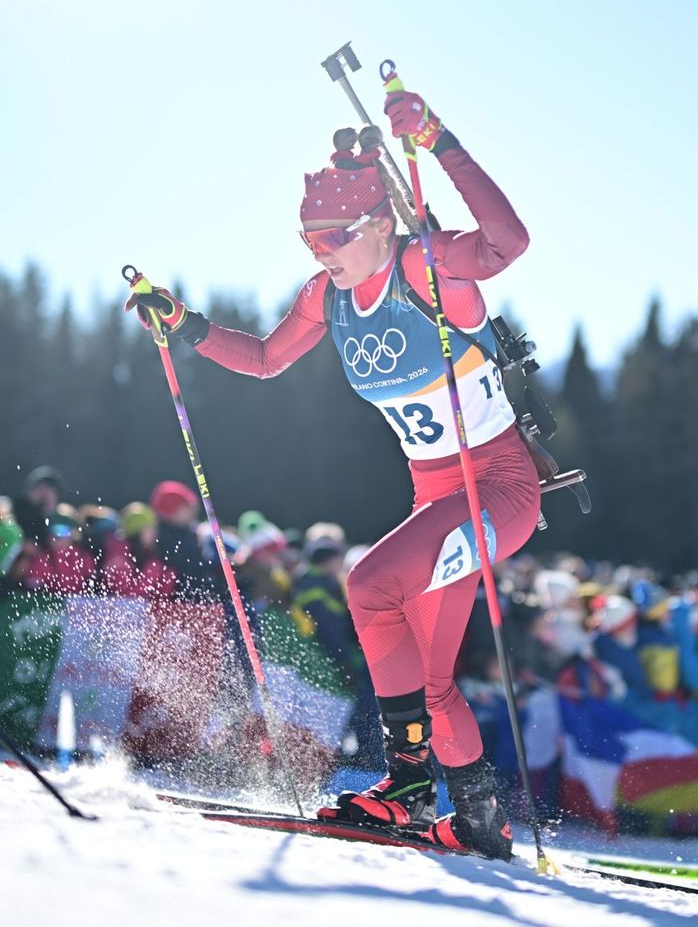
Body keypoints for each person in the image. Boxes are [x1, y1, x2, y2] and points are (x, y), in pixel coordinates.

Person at [125, 85, 537, 858]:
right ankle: (476, 817)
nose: (320, 253)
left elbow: (507, 242)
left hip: (497, 491)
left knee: (369, 583)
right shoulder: (328, 297)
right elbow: (265, 359)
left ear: (380, 225)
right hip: (435, 500)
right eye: (309, 239)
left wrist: (438, 139)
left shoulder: (428, 268)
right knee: (432, 678)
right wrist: (184, 324)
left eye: (334, 237)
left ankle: (410, 788)